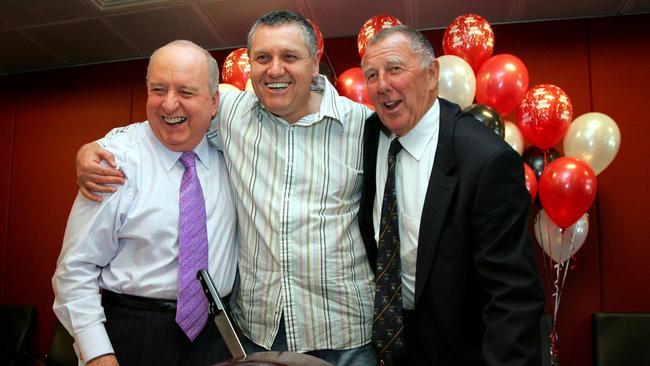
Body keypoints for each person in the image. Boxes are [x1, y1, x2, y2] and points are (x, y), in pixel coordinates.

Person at [74, 10, 376, 366]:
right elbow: (171, 116)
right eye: (262, 58)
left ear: (314, 64)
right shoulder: (232, 113)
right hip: (255, 334)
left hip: (342, 334)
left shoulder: (363, 126)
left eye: (289, 57)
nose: (274, 69)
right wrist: (94, 148)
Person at [358, 26, 545, 365]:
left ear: (432, 74)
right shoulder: (371, 137)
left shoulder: (486, 160)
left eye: (395, 69)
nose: (382, 84)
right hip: (390, 345)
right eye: (371, 74)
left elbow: (512, 298)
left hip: (461, 351)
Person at [52, 40, 238, 366]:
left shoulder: (234, 156)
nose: (169, 104)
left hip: (216, 335)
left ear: (214, 102)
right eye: (158, 89)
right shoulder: (112, 163)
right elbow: (75, 269)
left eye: (186, 92)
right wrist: (97, 354)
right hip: (133, 333)